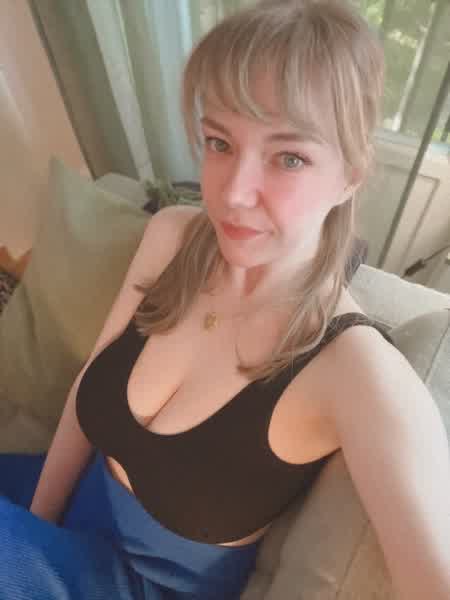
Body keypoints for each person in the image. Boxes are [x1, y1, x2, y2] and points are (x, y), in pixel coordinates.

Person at [1, 1, 449, 599]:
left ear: (350, 176)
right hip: (50, 525)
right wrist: (37, 522)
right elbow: (90, 385)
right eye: (219, 142)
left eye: (289, 157)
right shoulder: (173, 237)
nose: (234, 193)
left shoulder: (357, 371)